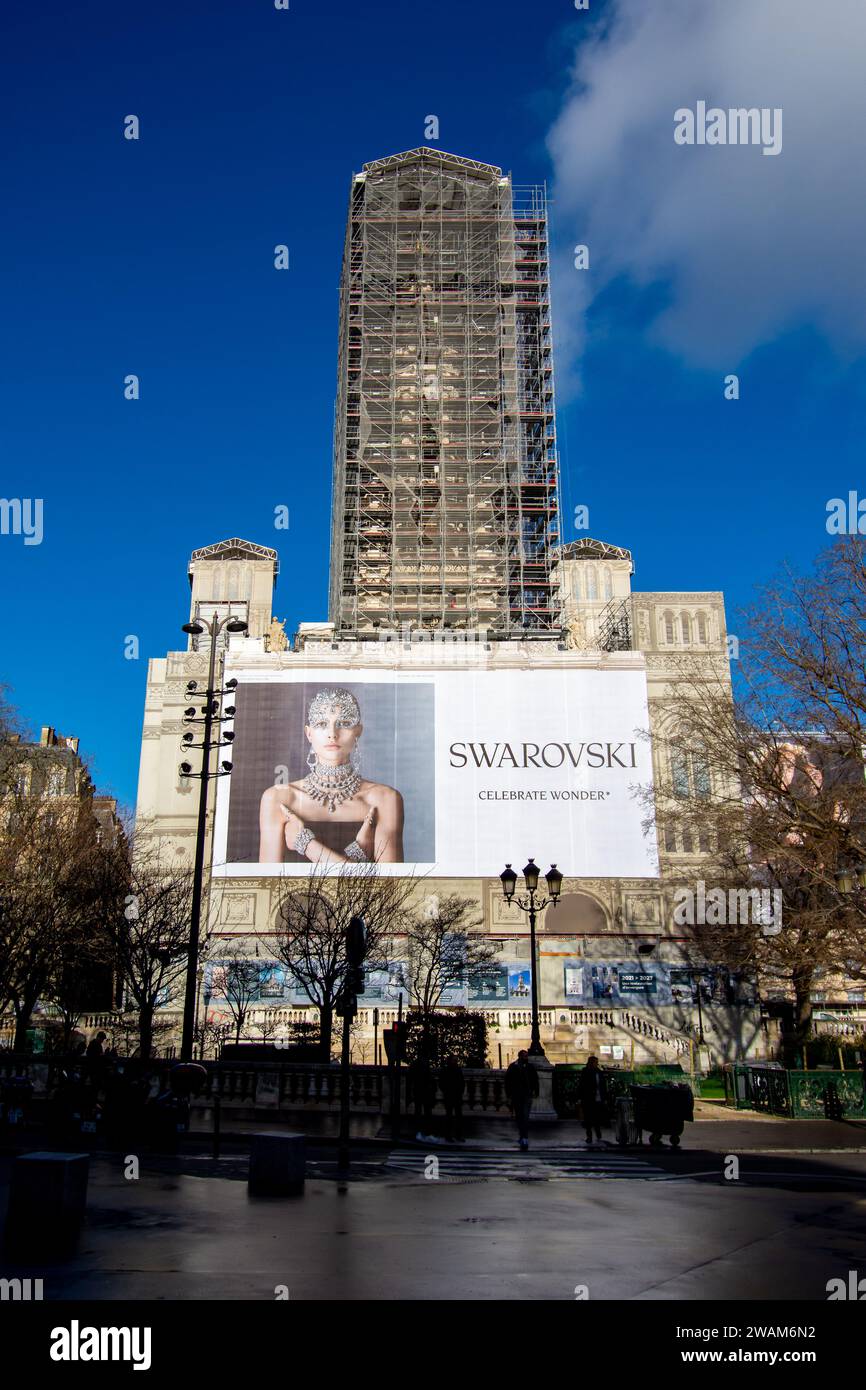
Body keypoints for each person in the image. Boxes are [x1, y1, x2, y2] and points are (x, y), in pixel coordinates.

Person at [259, 688, 405, 864]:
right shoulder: (278, 798)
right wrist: (354, 858)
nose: (332, 734)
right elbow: (269, 887)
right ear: (309, 733)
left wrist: (307, 844)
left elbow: (390, 888)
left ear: (358, 731)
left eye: (343, 723)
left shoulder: (385, 799)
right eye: (321, 724)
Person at [505, 1050, 539, 1150]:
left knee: (524, 1117)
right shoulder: (514, 1067)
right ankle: (522, 1136)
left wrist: (535, 1091)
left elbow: (534, 1080)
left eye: (526, 1056)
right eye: (524, 1056)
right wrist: (509, 1094)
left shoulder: (528, 1067)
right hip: (517, 1095)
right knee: (520, 1117)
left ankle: (524, 1137)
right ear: (520, 1056)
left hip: (526, 1095)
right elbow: (508, 1081)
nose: (526, 1058)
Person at [578, 1054, 609, 1144]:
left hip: (598, 1098)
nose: (597, 1064)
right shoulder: (585, 1072)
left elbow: (603, 1086)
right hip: (588, 1099)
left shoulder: (599, 1072)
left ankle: (597, 1133)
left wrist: (604, 1097)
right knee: (588, 1119)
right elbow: (582, 1086)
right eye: (595, 1062)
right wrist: (580, 1097)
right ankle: (589, 1136)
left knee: (596, 1118)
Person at [440, 1055, 465, 1142]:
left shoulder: (453, 1070)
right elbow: (442, 1083)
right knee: (450, 1117)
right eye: (454, 1060)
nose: (456, 1061)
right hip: (451, 1095)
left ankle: (456, 1135)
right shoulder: (451, 1070)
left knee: (456, 1117)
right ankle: (450, 1136)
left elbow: (462, 1082)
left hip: (453, 1095)